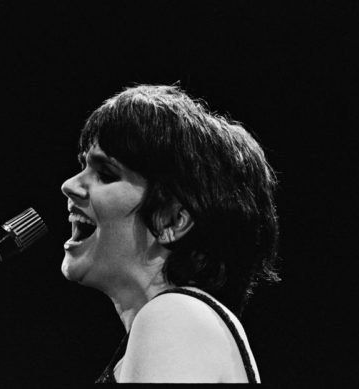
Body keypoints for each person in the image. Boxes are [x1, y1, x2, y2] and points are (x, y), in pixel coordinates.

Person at [60, 85, 280, 383]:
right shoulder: (172, 323)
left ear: (173, 220)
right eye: (82, 166)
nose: (70, 185)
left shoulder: (175, 317)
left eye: (107, 174)